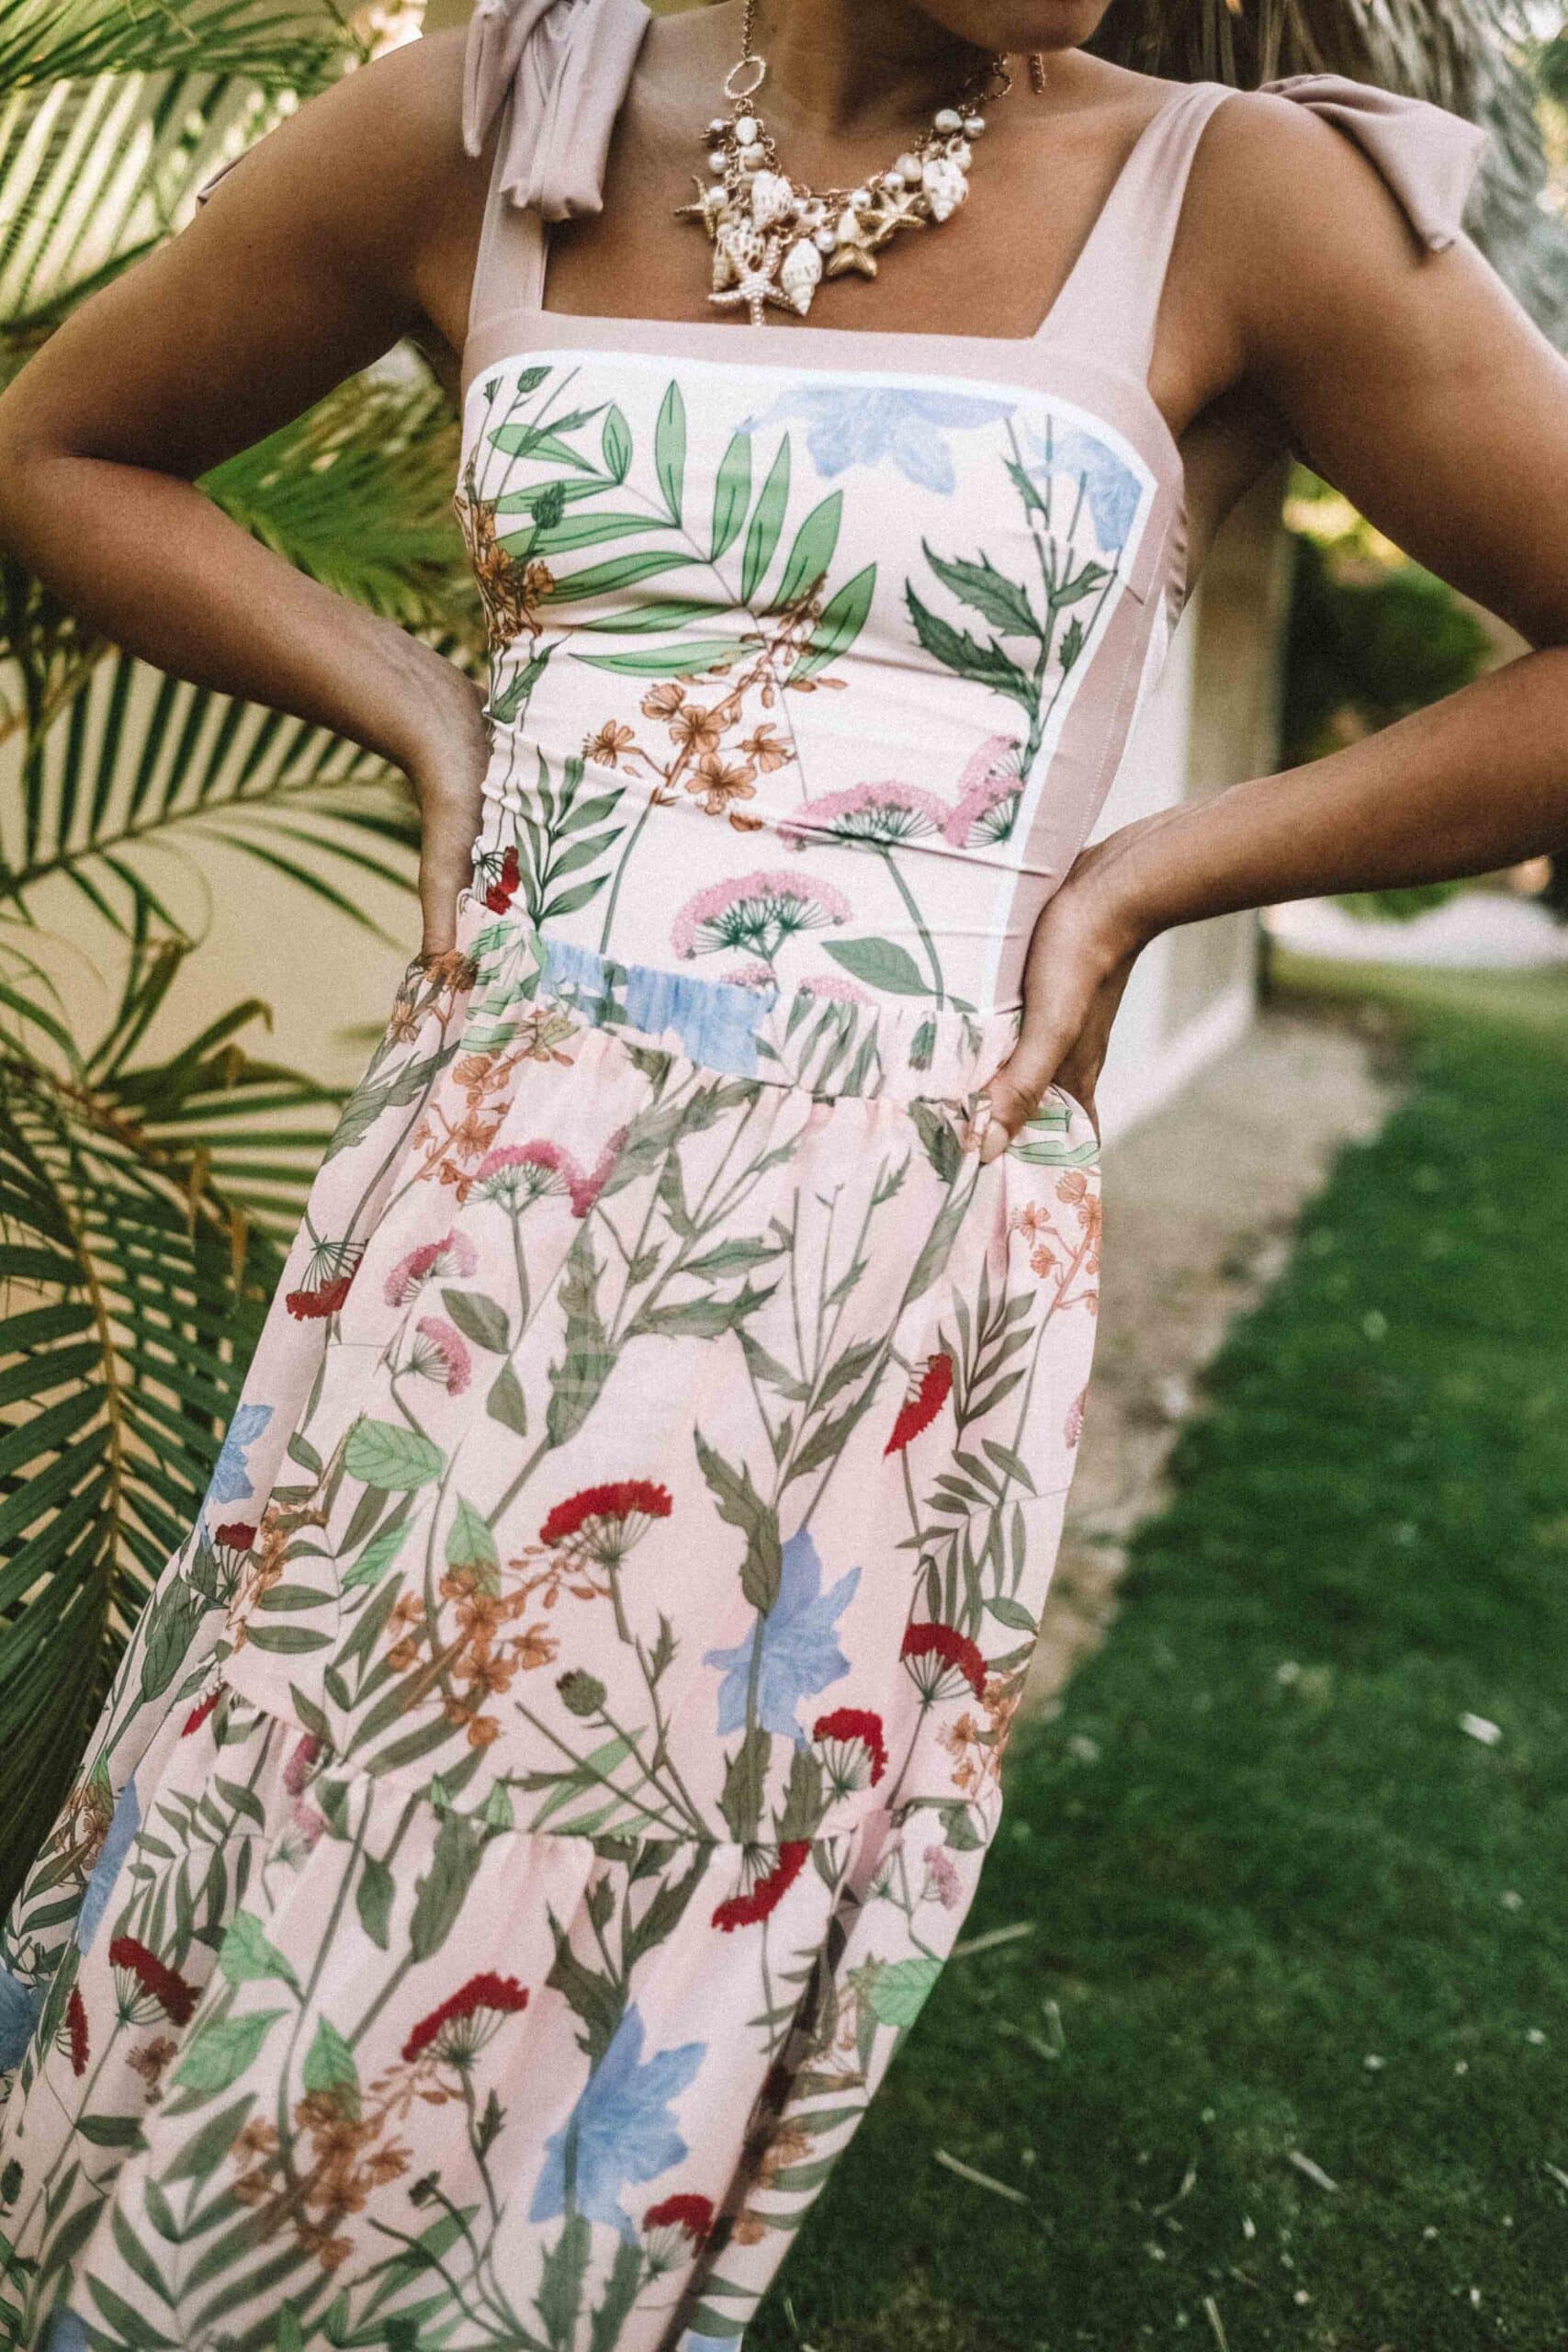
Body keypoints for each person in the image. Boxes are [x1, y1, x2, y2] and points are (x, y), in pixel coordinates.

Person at [1, 2, 1565, 2345]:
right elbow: (63, 445)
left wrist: (1150, 871)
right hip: (471, 1208)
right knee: (310, 1834)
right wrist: (420, 699)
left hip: (871, 1247)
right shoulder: (489, 115)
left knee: (611, 1924)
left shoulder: (1239, 194)